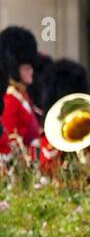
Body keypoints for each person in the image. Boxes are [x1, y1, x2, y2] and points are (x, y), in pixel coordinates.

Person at [1, 26, 42, 157]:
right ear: (14, 68)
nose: (31, 72)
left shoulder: (23, 97)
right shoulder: (10, 101)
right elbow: (6, 145)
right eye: (26, 68)